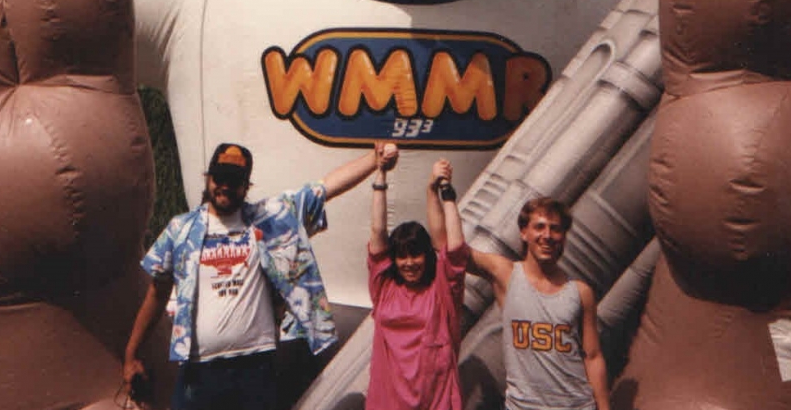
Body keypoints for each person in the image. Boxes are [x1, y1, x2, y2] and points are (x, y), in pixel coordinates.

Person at [123, 141, 385, 410]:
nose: (225, 186)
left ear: (247, 186)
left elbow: (324, 188)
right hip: (199, 370)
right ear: (208, 178)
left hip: (255, 367)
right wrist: (132, 353)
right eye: (220, 178)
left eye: (235, 180)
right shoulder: (181, 230)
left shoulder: (269, 219)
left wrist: (374, 159)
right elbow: (157, 293)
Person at [469, 198, 610, 410]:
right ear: (524, 232)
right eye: (539, 227)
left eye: (555, 229)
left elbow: (593, 356)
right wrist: (437, 192)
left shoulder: (580, 292)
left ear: (563, 237)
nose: (547, 235)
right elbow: (448, 247)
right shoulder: (506, 275)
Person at [366, 149, 469, 410]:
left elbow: (455, 248)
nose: (409, 263)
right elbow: (378, 230)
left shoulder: (442, 291)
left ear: (428, 255)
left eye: (416, 255)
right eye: (401, 257)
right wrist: (381, 173)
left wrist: (446, 192)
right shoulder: (384, 288)